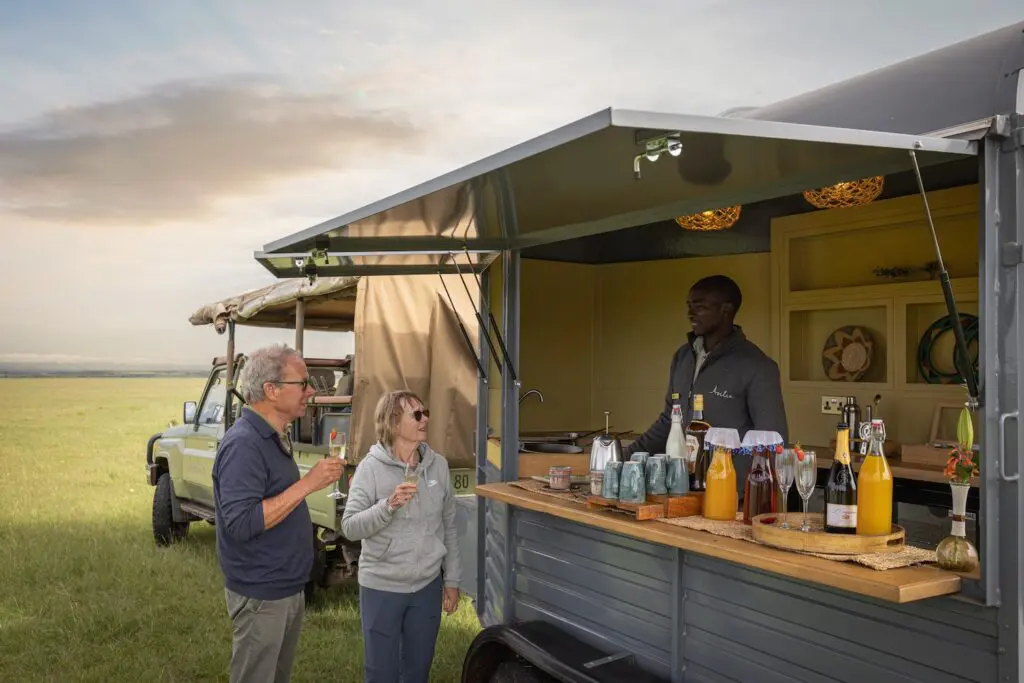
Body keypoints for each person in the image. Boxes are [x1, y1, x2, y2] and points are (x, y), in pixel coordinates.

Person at [212, 344, 345, 683]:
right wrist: (308, 484)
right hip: (262, 593)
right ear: (271, 391)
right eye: (302, 383)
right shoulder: (244, 444)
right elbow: (242, 523)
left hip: (283, 588)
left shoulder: (272, 437)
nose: (311, 391)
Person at [625, 275, 788, 497]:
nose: (691, 314)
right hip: (681, 492)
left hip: (731, 497)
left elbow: (772, 442)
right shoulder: (682, 357)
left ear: (726, 310)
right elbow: (669, 421)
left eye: (700, 307)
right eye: (689, 306)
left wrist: (736, 492)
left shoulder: (757, 366)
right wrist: (622, 457)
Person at [341, 389, 462, 683]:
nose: (425, 420)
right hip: (382, 586)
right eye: (417, 415)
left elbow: (449, 526)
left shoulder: (439, 466)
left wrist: (452, 580)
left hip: (426, 587)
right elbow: (350, 526)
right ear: (394, 423)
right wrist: (389, 505)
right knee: (381, 673)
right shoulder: (370, 468)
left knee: (417, 672)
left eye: (426, 413)